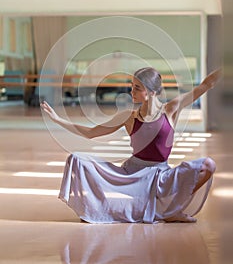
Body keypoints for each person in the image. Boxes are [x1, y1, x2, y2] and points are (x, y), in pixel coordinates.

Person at [40, 67, 221, 223]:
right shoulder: (129, 116)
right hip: (132, 177)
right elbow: (91, 132)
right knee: (77, 159)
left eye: (137, 88)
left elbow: (206, 84)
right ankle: (117, 208)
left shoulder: (171, 109)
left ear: (152, 92)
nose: (131, 92)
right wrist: (58, 120)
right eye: (132, 87)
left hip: (160, 176)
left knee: (208, 165)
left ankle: (172, 211)